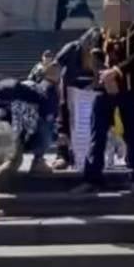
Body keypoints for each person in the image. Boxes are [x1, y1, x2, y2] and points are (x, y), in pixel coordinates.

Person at [71, 0, 134, 195]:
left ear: (125, 11)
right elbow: (96, 58)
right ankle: (92, 178)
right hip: (104, 90)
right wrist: (104, 76)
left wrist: (116, 72)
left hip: (129, 90)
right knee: (97, 133)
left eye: (115, 9)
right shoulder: (101, 33)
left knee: (132, 134)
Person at [0, 61, 61, 221]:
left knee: (1, 164)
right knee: (14, 159)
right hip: (0, 125)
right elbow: (43, 107)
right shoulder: (19, 89)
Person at [51, 28, 102, 170]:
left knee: (90, 123)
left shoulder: (100, 54)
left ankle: (88, 156)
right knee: (64, 121)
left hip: (90, 92)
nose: (91, 53)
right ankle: (62, 155)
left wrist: (93, 86)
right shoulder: (72, 48)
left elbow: (101, 75)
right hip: (69, 89)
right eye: (89, 48)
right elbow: (56, 65)